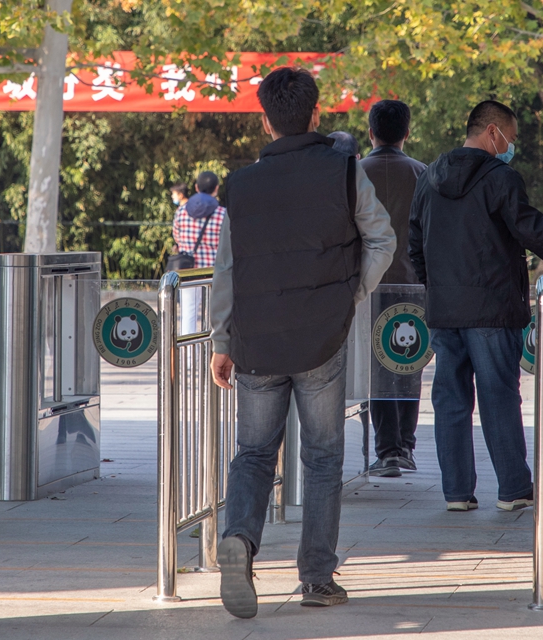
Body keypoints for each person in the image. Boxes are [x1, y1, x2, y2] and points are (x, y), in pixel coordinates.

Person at [209, 67, 395, 618]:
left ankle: (239, 539)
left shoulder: (239, 185)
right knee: (320, 456)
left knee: (254, 453)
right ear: (317, 114)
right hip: (321, 338)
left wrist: (222, 339)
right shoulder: (344, 170)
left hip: (255, 340)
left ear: (265, 120)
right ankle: (316, 577)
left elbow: (226, 270)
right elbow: (381, 237)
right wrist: (351, 295)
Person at [408, 100, 543, 512]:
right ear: (492, 131)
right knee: (498, 395)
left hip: (445, 310)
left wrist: (437, 287)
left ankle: (457, 493)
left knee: (451, 399)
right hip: (491, 308)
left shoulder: (429, 178)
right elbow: (535, 234)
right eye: (509, 138)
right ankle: (513, 489)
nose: (510, 146)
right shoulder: (501, 178)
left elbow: (414, 244)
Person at [360, 100, 427, 478]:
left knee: (376, 368)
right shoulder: (424, 174)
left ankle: (386, 450)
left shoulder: (354, 173)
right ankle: (405, 446)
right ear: (407, 132)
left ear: (371, 132)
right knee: (408, 364)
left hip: (369, 287)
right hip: (413, 285)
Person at [173, 172, 225, 333]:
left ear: (196, 187)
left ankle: (189, 356)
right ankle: (211, 352)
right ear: (216, 189)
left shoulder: (182, 212)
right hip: (214, 271)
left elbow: (177, 235)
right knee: (213, 314)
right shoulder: (222, 214)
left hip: (188, 269)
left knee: (188, 313)